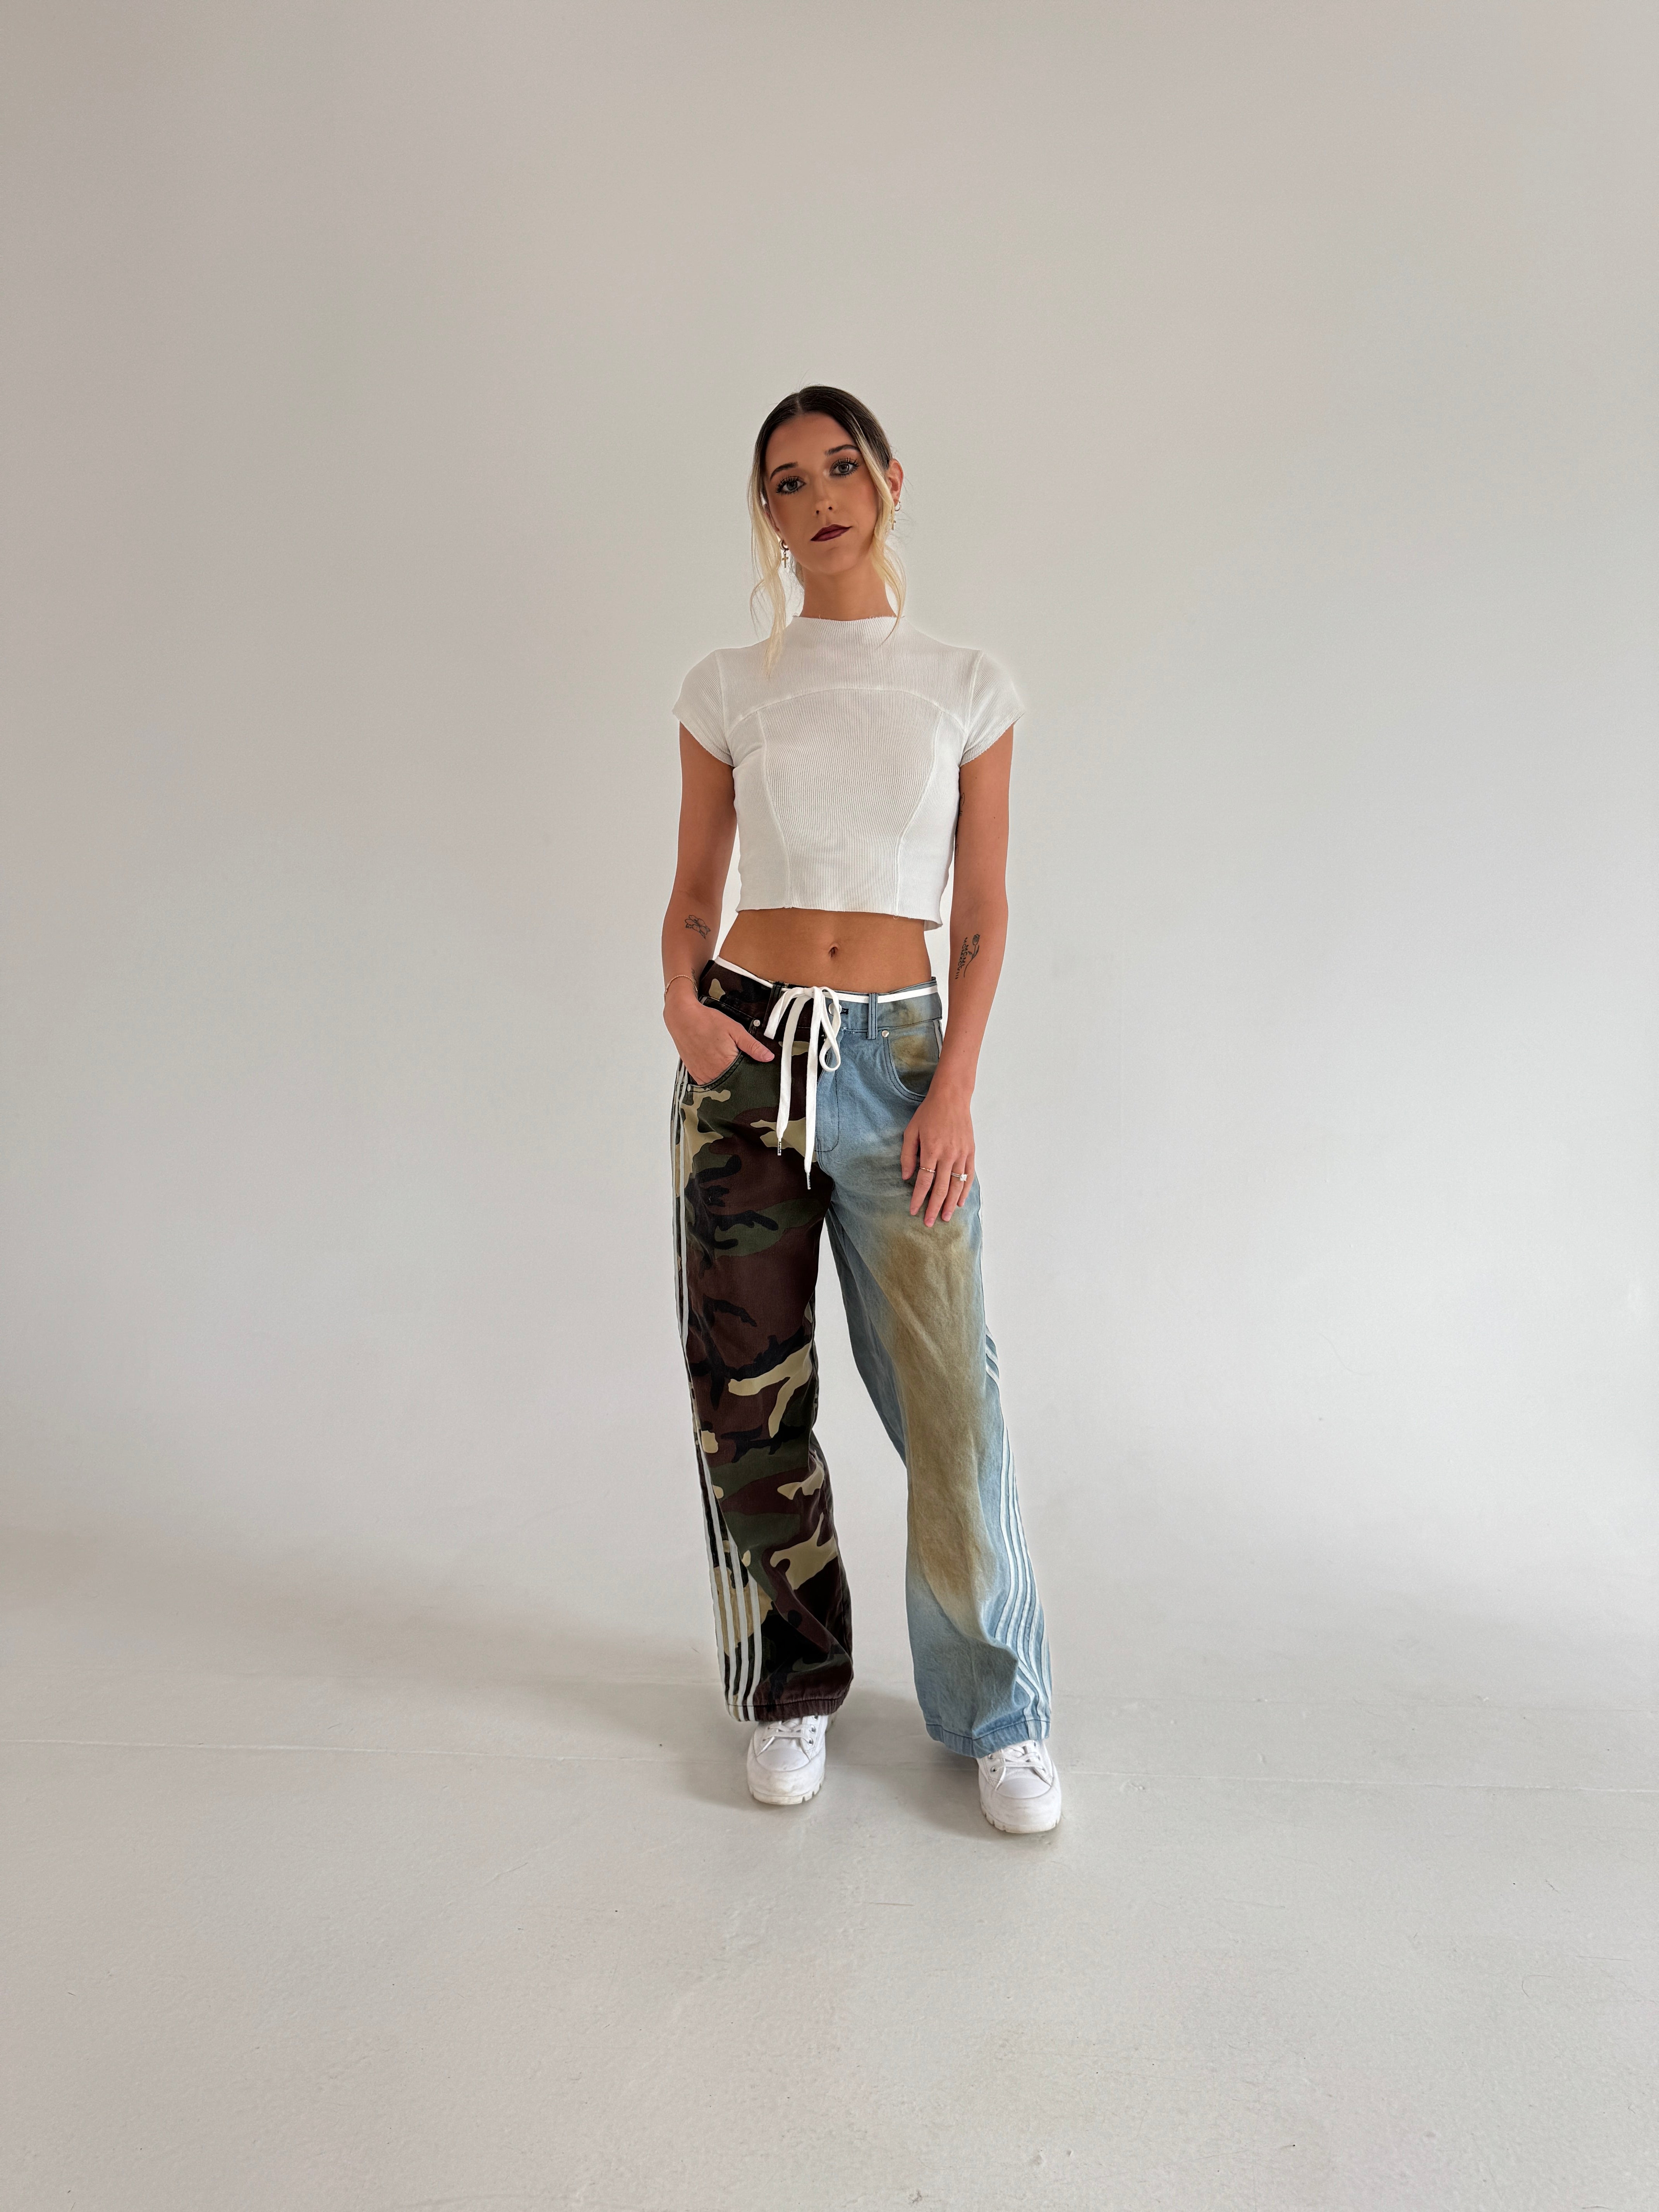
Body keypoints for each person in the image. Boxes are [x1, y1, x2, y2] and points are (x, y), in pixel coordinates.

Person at [662, 385, 1059, 1835]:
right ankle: (790, 1690)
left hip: (898, 1064)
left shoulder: (966, 683)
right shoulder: (727, 686)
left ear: (890, 479)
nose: (819, 497)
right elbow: (693, 891)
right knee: (749, 1397)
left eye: (840, 467)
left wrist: (954, 1087)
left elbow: (984, 905)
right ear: (766, 517)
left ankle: (997, 1713)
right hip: (745, 1059)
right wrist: (683, 1009)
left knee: (952, 1405)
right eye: (786, 482)